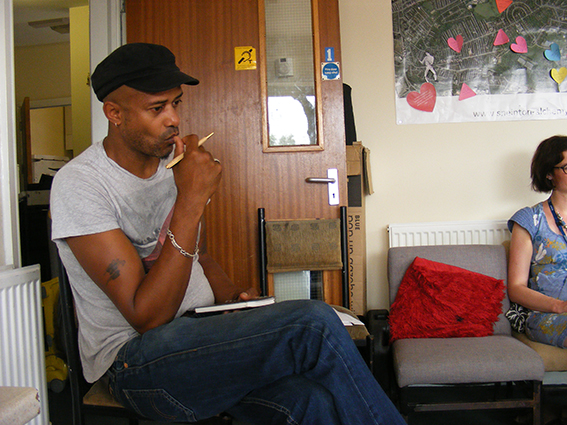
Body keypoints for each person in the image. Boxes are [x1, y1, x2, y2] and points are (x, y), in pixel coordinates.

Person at [50, 43, 405, 425]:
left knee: (309, 401)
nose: (173, 119)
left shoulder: (174, 166)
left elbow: (198, 257)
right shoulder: (81, 183)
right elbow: (146, 317)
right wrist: (191, 199)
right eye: (157, 108)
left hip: (200, 334)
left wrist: (233, 298)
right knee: (312, 325)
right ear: (115, 113)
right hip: (134, 365)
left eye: (176, 103)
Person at [508, 135, 567, 349]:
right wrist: (560, 306)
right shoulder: (529, 219)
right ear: (549, 173)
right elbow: (516, 288)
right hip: (547, 314)